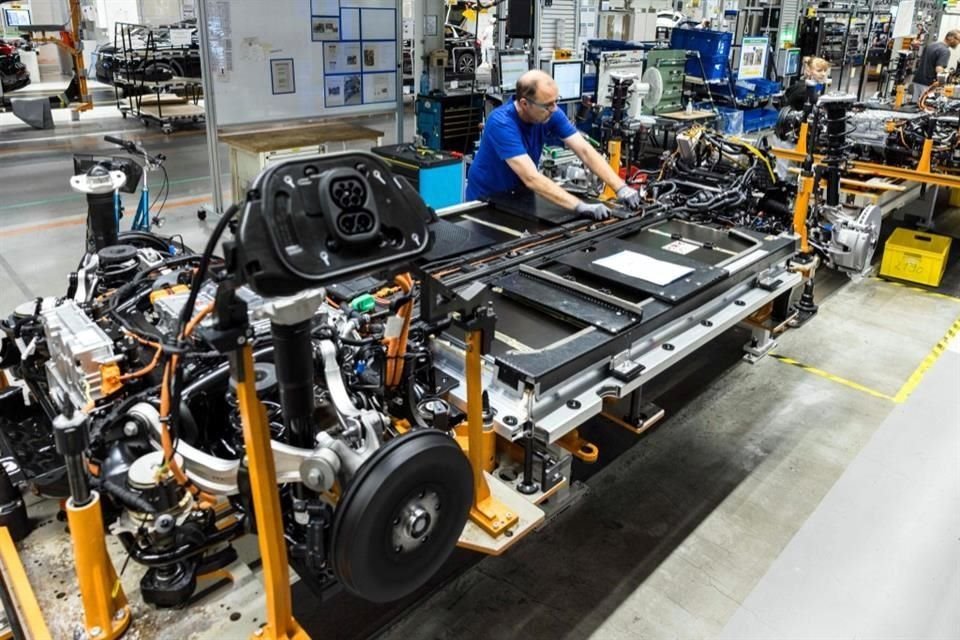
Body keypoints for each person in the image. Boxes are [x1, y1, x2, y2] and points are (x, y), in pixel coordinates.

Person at [466, 70, 640, 220]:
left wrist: (621, 187)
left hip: (520, 195)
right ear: (524, 103)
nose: (555, 109)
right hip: (486, 200)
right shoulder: (501, 123)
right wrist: (579, 206)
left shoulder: (549, 112)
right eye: (549, 105)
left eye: (556, 101)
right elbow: (531, 177)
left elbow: (585, 150)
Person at [912, 30, 960, 102]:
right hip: (928, 85)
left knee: (915, 105)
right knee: (926, 108)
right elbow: (939, 69)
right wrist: (944, 83)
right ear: (950, 37)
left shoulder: (931, 45)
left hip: (917, 80)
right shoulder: (945, 51)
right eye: (958, 39)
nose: (958, 43)